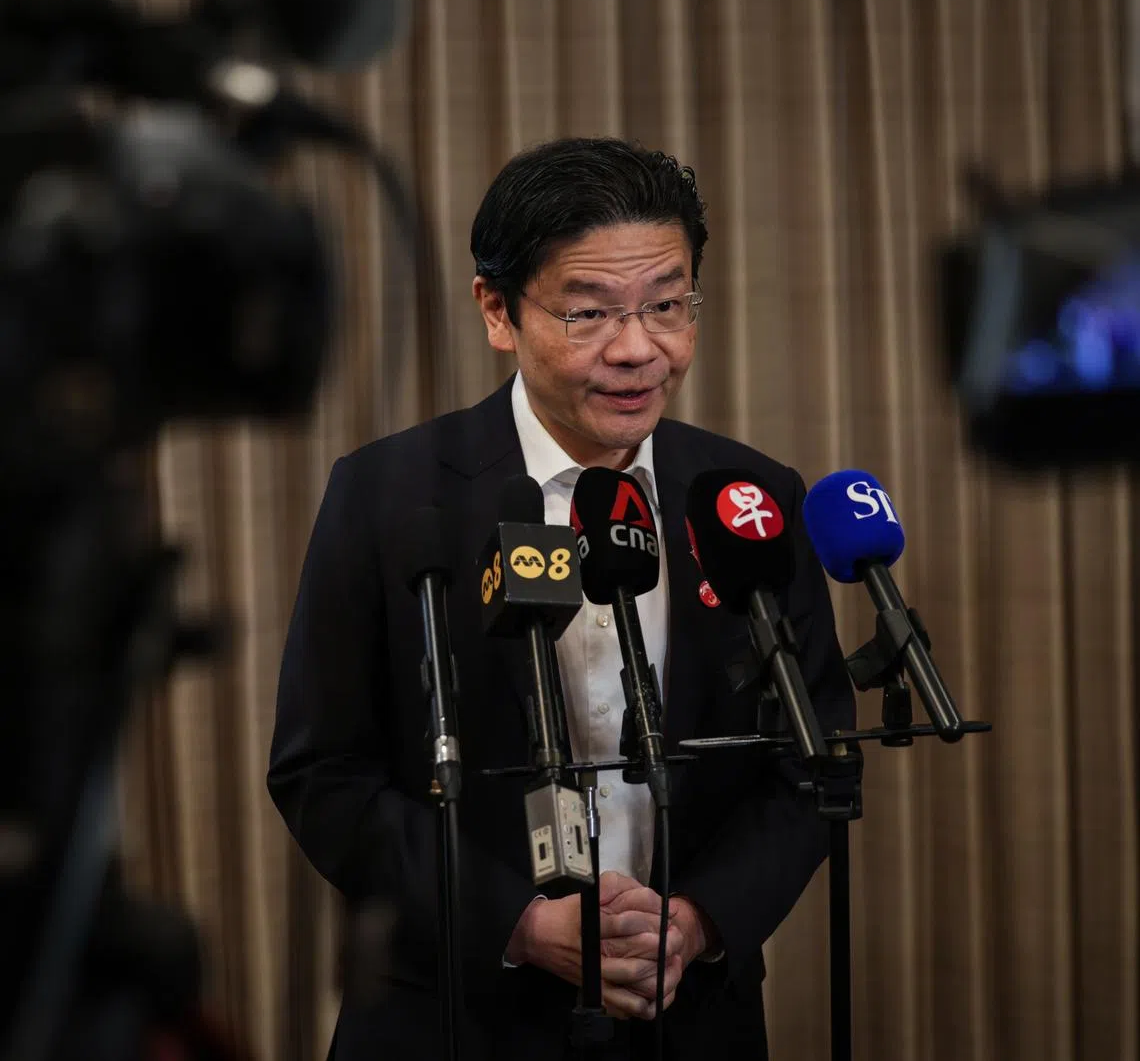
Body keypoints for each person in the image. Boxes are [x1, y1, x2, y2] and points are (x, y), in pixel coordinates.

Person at [268, 137, 855, 1060]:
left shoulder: (749, 497)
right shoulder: (388, 495)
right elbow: (323, 774)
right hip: (456, 1017)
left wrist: (699, 920)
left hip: (688, 1015)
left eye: (667, 305)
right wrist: (517, 923)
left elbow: (814, 755)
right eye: (588, 313)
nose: (638, 349)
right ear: (496, 311)